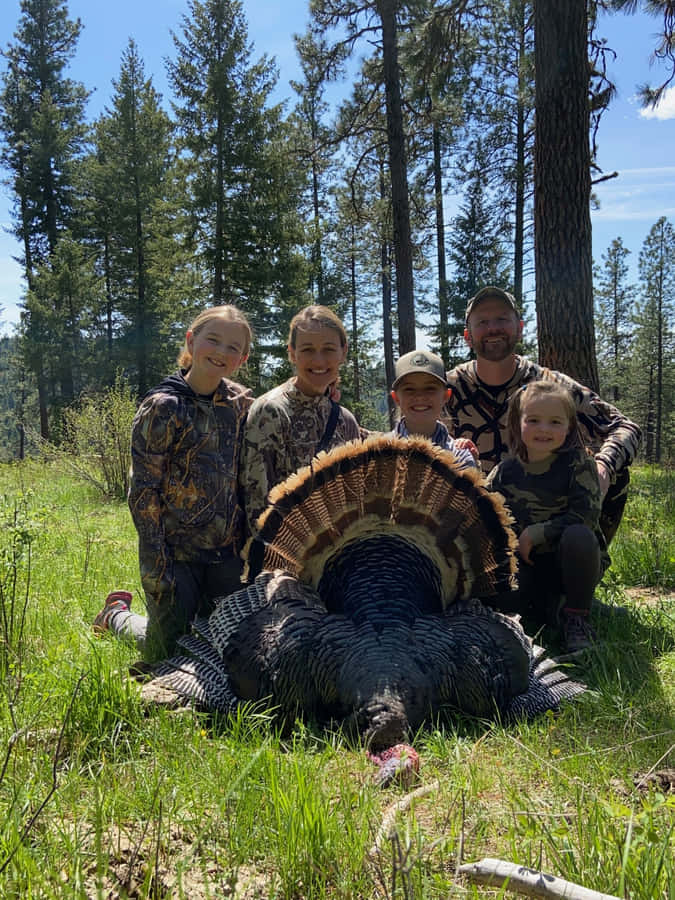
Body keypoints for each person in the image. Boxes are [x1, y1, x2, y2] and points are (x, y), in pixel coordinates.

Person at [93, 304, 254, 659]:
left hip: (226, 555)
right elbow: (143, 493)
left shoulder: (241, 403)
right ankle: (116, 616)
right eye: (213, 340)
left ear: (242, 358)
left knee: (226, 652)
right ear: (191, 341)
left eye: (233, 347)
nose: (221, 352)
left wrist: (325, 392)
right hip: (174, 557)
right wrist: (158, 564)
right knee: (167, 652)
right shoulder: (163, 406)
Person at [445, 286, 641, 546]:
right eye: (483, 322)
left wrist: (603, 466)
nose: (493, 328)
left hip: (543, 515)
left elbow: (626, 427)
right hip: (472, 518)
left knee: (616, 472)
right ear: (468, 337)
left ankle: (577, 566)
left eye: (503, 319)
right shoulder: (446, 389)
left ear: (520, 327)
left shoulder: (550, 386)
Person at [484, 381, 607, 652]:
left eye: (555, 422)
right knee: (502, 599)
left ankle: (577, 617)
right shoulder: (506, 471)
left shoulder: (579, 463)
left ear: (569, 427)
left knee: (579, 536)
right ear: (518, 424)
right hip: (527, 565)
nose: (544, 429)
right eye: (534, 420)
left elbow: (585, 515)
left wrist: (537, 532)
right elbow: (483, 513)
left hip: (572, 563)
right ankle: (550, 608)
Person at [241, 304, 361, 539]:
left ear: (343, 352)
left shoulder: (345, 421)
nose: (319, 360)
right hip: (282, 561)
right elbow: (257, 507)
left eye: (328, 349)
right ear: (292, 353)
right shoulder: (271, 412)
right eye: (307, 349)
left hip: (337, 556)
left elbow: (354, 499)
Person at [389, 350, 477, 470]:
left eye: (430, 388)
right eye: (409, 389)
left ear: (446, 396)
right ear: (396, 398)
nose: (420, 396)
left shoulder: (460, 459)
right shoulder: (376, 455)